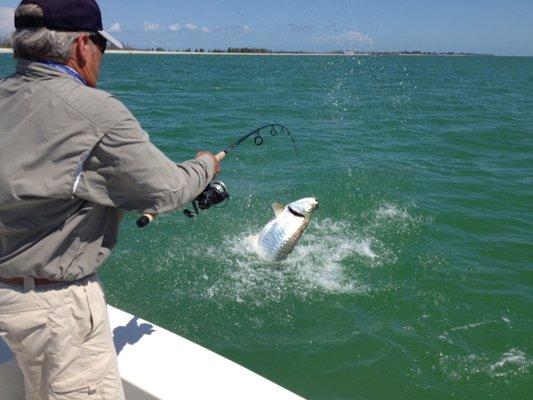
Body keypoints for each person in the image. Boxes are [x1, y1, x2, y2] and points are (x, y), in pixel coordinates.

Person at [0, 1, 221, 398]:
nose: (102, 56)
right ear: (82, 45)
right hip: (54, 313)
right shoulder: (97, 113)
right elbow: (166, 191)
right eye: (101, 45)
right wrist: (204, 166)